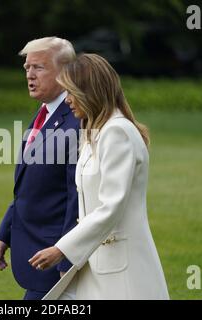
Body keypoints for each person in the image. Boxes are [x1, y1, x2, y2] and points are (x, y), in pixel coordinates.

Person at [29, 54, 170, 299]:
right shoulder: (94, 132)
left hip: (120, 268)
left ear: (90, 91)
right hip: (96, 263)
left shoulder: (117, 132)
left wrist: (61, 249)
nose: (68, 101)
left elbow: (111, 207)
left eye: (71, 93)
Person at [0, 37, 80, 300]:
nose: (29, 75)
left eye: (38, 67)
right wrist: (4, 233)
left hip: (54, 259)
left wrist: (65, 258)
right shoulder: (44, 114)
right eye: (27, 68)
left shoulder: (76, 121)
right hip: (37, 255)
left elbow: (76, 198)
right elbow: (30, 186)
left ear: (65, 73)